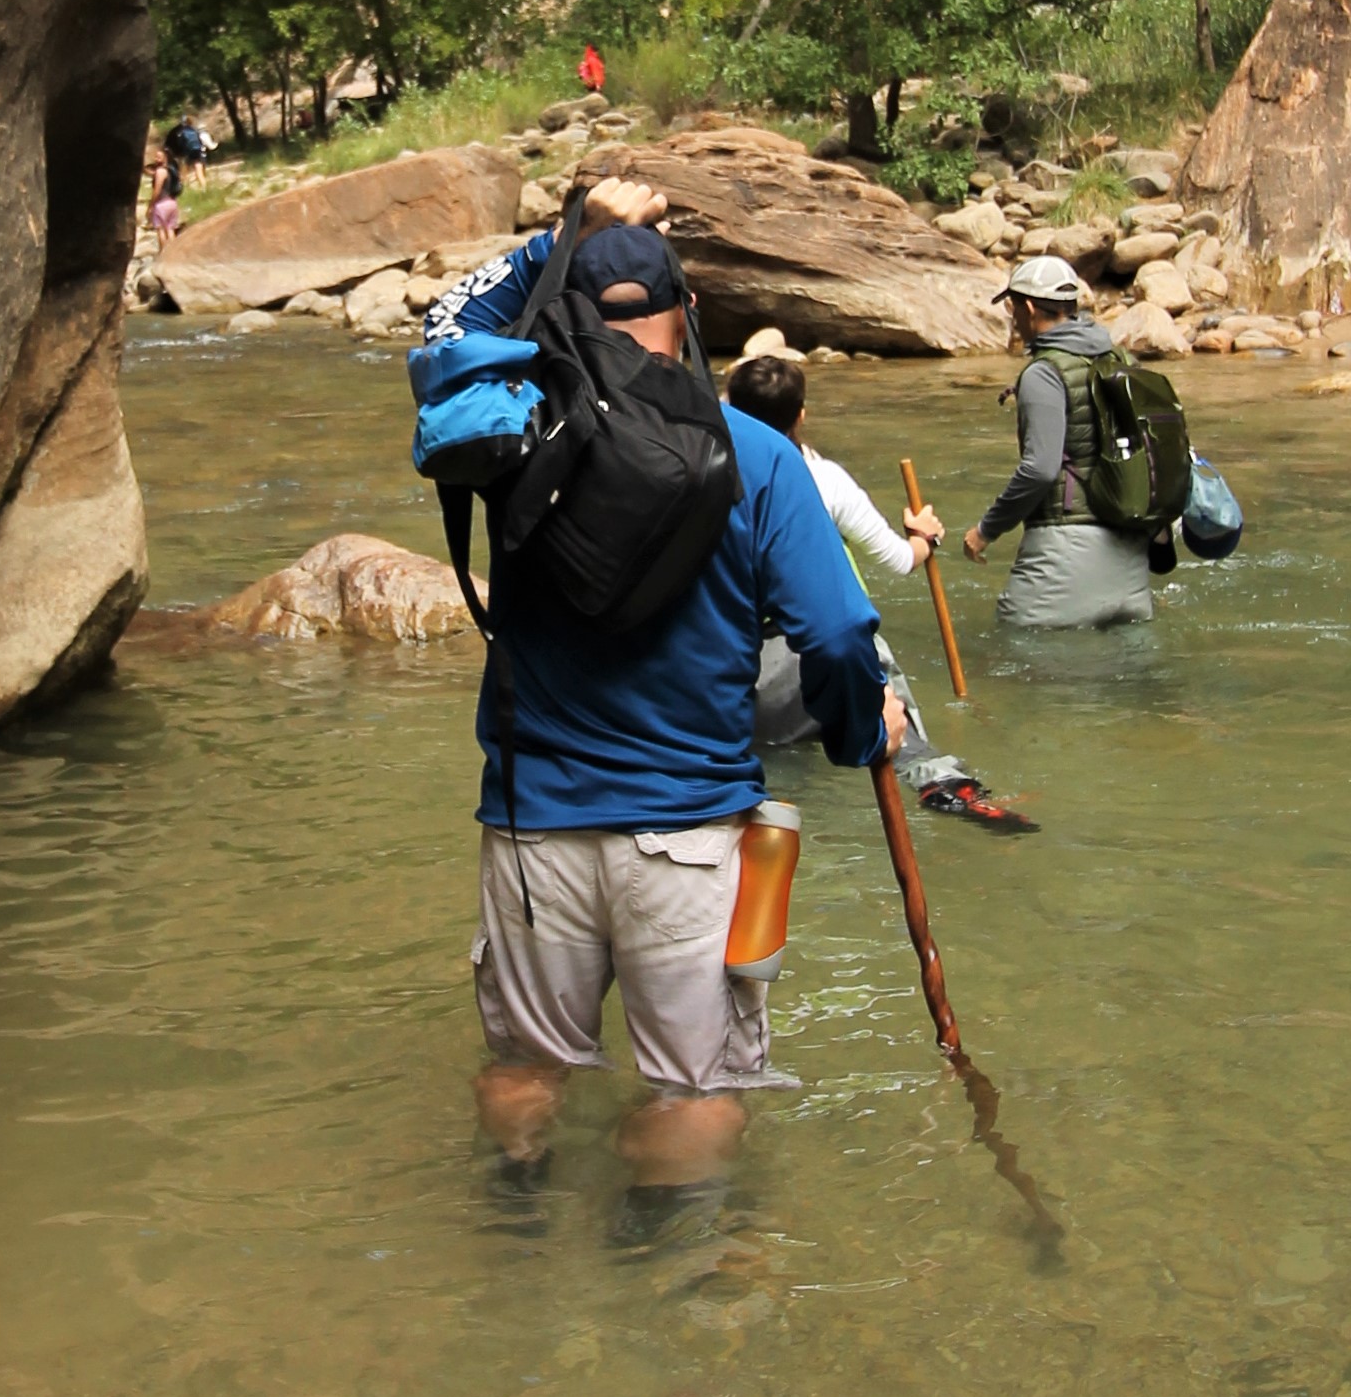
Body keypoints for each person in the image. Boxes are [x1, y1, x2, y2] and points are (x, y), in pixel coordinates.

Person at [412, 183, 904, 1240]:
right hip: (685, 834)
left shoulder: (511, 434)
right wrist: (866, 731)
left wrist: (556, 237)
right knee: (692, 1089)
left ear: (567, 320)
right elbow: (831, 636)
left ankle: (516, 1220)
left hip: (529, 823)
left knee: (522, 1065)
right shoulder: (759, 456)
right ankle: (657, 1267)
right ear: (686, 311)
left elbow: (446, 328)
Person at [722, 348, 1032, 832]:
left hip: (736, 681)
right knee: (882, 684)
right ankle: (944, 785)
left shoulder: (702, 477)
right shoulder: (822, 478)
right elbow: (898, 559)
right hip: (818, 662)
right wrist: (923, 539)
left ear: (728, 407)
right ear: (801, 414)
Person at [962, 252, 1154, 629]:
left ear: (1029, 308)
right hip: (1132, 559)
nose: (1014, 319)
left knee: (1016, 658)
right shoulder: (1120, 358)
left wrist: (986, 530)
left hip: (1064, 554)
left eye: (1014, 309)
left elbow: (1040, 469)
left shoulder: (1043, 373)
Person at [148, 151, 183, 243]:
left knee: (161, 230)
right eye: (155, 157)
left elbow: (157, 190)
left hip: (161, 204)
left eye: (158, 157)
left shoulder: (160, 171)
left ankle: (164, 253)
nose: (156, 159)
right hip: (172, 203)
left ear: (165, 158)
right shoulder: (171, 171)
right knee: (170, 229)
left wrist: (151, 205)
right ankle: (173, 253)